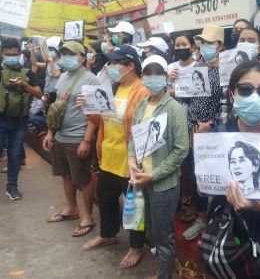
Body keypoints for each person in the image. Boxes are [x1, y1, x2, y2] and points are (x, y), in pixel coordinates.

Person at [202, 61, 260, 278]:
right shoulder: (217, 135)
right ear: (231, 94)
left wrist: (253, 205)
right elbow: (203, 190)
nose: (254, 97)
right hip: (225, 229)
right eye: (245, 89)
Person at [76, 45, 150, 268]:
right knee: (106, 198)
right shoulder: (114, 88)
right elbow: (104, 122)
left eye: (116, 63)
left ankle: (136, 247)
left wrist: (137, 159)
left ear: (131, 66)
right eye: (110, 62)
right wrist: (88, 111)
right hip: (108, 156)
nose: (111, 67)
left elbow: (146, 126)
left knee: (134, 206)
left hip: (130, 160)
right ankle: (108, 234)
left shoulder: (143, 90)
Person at [128, 55, 189, 279]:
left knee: (164, 236)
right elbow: (134, 137)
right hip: (141, 178)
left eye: (158, 72)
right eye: (148, 72)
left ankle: (164, 276)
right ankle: (162, 271)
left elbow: (181, 150)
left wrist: (154, 175)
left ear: (166, 77)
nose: (153, 77)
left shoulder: (174, 109)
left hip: (163, 183)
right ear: (142, 76)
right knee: (152, 228)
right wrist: (131, 159)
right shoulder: (142, 104)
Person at [43, 41, 100, 237]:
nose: (66, 57)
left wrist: (86, 140)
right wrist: (51, 133)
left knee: (83, 178)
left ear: (82, 57)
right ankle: (71, 209)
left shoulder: (91, 80)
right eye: (64, 54)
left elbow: (95, 113)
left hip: (78, 137)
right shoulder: (62, 77)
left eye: (71, 54)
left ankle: (88, 216)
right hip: (60, 136)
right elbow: (56, 109)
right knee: (65, 174)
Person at [182, 24, 223, 240]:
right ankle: (201, 218)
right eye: (203, 42)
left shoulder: (227, 71)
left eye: (210, 42)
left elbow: (228, 105)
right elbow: (188, 98)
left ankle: (216, 224)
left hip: (214, 131)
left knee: (214, 176)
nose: (205, 46)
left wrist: (212, 124)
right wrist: (176, 84)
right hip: (192, 129)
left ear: (220, 45)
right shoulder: (197, 67)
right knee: (196, 173)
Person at [0, 39, 43, 200]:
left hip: (20, 121)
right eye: (7, 54)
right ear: (2, 54)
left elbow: (39, 93)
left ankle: (12, 187)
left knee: (15, 154)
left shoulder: (27, 73)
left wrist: (25, 85)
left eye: (14, 54)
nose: (11, 57)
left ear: (19, 54)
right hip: (1, 119)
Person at [167, 32, 197, 100]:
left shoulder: (200, 67)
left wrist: (176, 92)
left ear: (192, 47)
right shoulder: (170, 67)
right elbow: (166, 91)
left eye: (184, 44)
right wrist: (171, 80)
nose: (181, 48)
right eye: (177, 45)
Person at [44, 37, 64, 108]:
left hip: (59, 91)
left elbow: (54, 75)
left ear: (56, 51)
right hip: (50, 91)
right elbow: (47, 77)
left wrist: (51, 62)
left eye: (51, 50)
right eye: (48, 50)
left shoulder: (63, 62)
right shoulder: (49, 63)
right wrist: (46, 92)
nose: (50, 52)